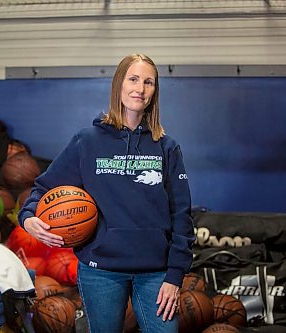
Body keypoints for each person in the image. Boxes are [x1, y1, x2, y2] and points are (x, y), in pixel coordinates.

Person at [18, 53, 195, 333]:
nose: (140, 88)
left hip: (157, 273)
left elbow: (182, 215)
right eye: (133, 79)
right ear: (118, 85)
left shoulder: (166, 146)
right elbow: (44, 188)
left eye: (148, 82)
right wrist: (28, 217)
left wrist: (175, 276)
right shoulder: (87, 141)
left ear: (154, 91)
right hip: (100, 270)